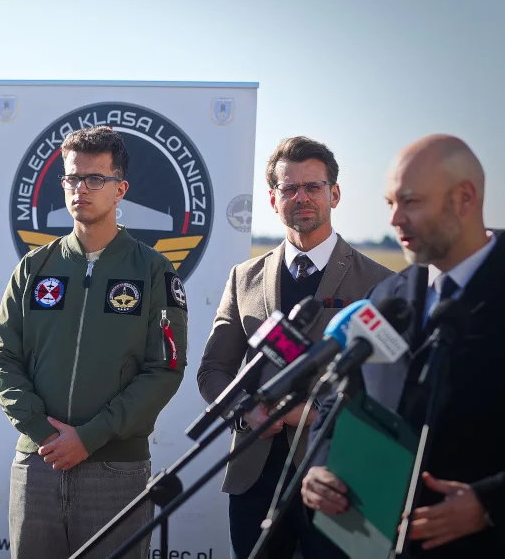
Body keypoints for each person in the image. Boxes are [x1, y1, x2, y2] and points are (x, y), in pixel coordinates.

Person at [0, 125, 188, 559]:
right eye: (72, 178)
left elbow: (165, 369)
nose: (82, 188)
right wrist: (44, 433)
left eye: (95, 178)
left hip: (116, 470)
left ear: (121, 189)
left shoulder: (153, 271)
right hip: (38, 464)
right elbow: (1, 358)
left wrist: (91, 436)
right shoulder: (34, 267)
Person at [301, 134, 504, 557]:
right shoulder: (385, 298)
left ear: (465, 197)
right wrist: (319, 466)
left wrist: (489, 504)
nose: (395, 219)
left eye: (410, 202)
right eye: (389, 203)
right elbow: (338, 402)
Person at [198, 136, 392, 559]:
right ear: (273, 199)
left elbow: (385, 394)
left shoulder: (378, 283)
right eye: (289, 188)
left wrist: (304, 414)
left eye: (313, 187)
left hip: (340, 482)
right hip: (255, 478)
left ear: (334, 193)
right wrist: (245, 409)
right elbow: (213, 371)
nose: (301, 197)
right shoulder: (243, 277)